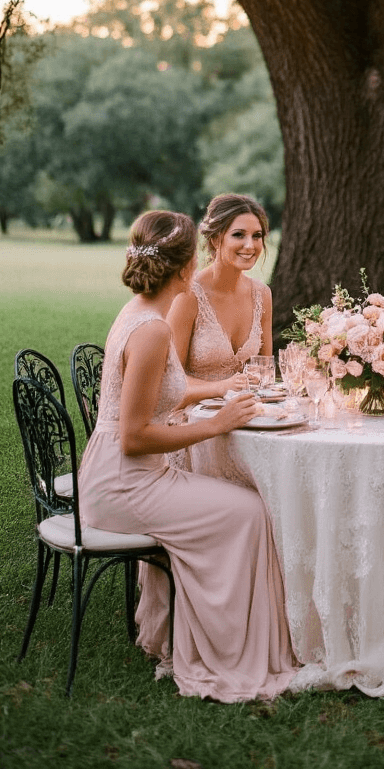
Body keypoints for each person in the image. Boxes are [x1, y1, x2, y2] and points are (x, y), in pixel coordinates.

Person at [78, 210, 296, 702]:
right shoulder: (152, 330)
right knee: (248, 512)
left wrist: (215, 397)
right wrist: (215, 424)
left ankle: (218, 639)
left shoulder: (138, 311)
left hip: (126, 473)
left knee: (242, 507)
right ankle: (220, 653)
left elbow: (157, 399)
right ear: (184, 267)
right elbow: (134, 436)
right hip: (123, 483)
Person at [166, 193, 273, 487]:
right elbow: (169, 384)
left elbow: (266, 372)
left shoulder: (262, 294)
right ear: (216, 239)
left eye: (257, 235)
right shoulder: (188, 296)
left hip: (244, 420)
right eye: (239, 235)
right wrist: (223, 387)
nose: (250, 245)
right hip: (191, 425)